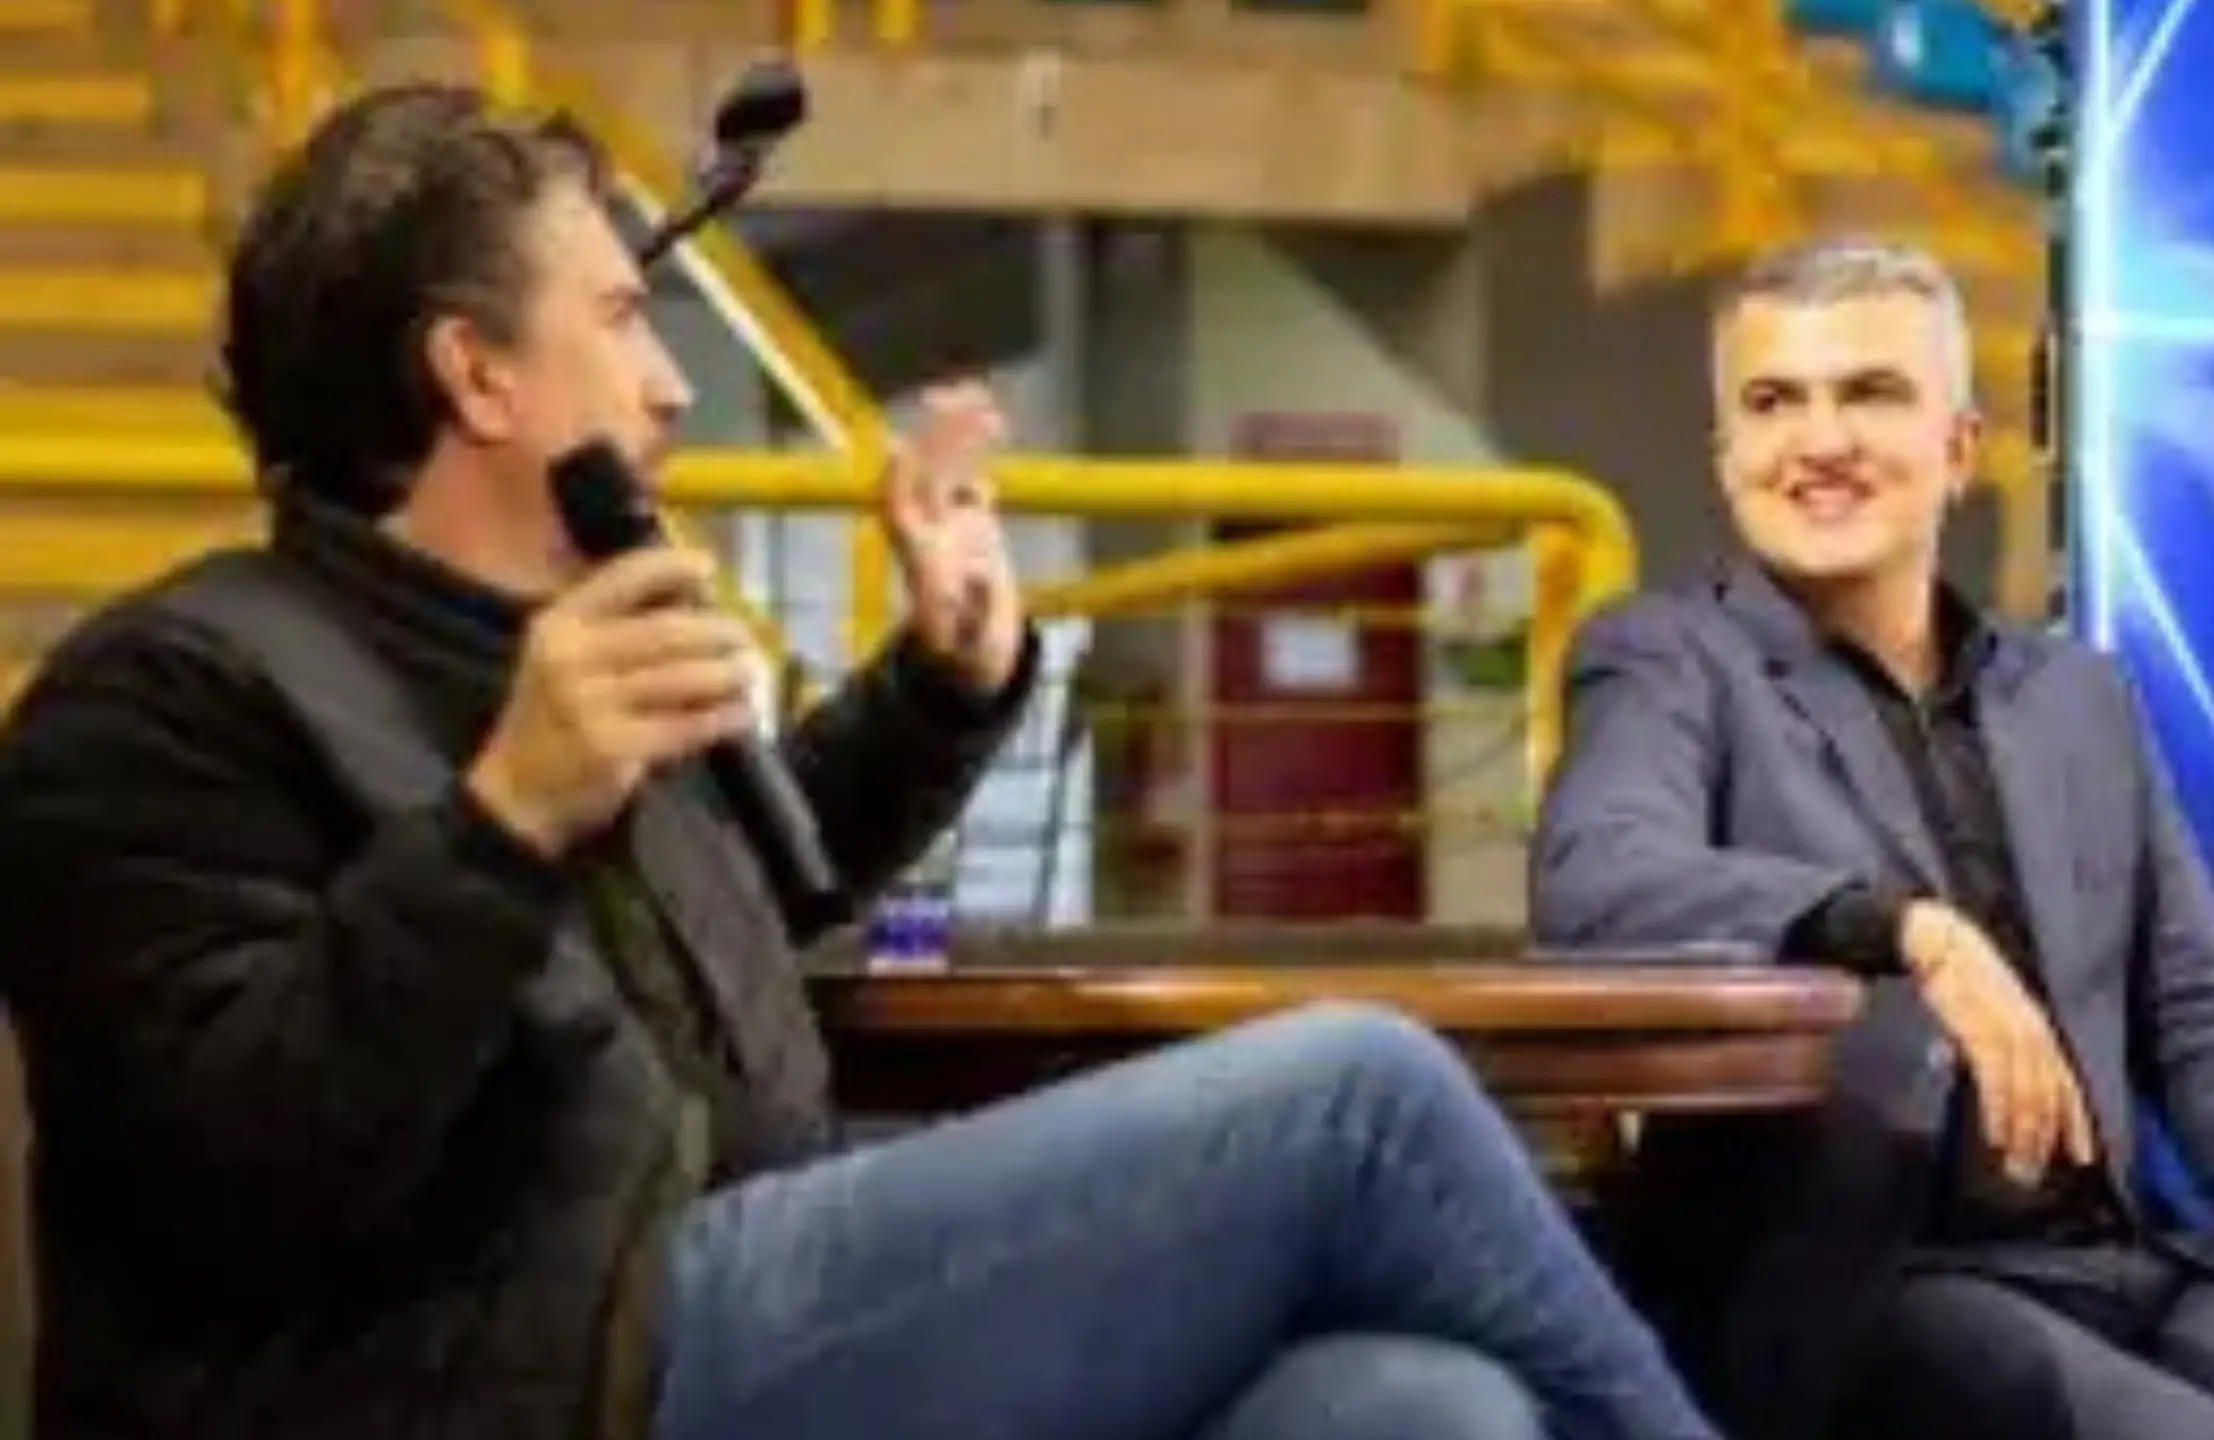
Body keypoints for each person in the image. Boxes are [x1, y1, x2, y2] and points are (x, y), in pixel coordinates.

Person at [0, 83, 1724, 1440]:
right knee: (1364, 1096)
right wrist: (502, 823)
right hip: (527, 1369)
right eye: (624, 318)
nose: (670, 387)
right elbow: (236, 1170)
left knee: (1421, 1410)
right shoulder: (161, 698)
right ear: (477, 375)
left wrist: (943, 682)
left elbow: (763, 882)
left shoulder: (560, 647)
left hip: (753, 1270)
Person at [1529, 235, 2214, 1440]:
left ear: (1959, 447)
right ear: (1725, 458)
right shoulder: (1664, 658)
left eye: (1869, 392)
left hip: (2119, 1263)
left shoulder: (2077, 697)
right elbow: (1595, 881)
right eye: (1771, 402)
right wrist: (1904, 932)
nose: (1818, 440)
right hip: (1872, 1287)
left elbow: (2198, 1009)